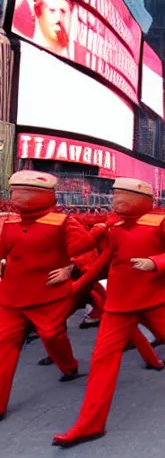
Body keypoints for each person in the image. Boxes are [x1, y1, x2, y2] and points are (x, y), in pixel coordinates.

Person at [53, 178, 165, 448]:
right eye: (114, 196)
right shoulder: (115, 226)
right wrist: (78, 283)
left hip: (153, 298)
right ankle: (90, 423)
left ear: (138, 199)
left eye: (119, 196)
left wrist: (156, 262)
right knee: (102, 360)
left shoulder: (160, 222)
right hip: (119, 303)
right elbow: (106, 259)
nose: (114, 201)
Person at [0, 170, 96, 421]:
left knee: (52, 335)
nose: (15, 197)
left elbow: (87, 251)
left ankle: (69, 366)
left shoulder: (63, 222)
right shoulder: (8, 222)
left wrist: (70, 268)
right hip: (11, 295)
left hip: (48, 294)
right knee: (4, 346)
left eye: (22, 192)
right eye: (14, 192)